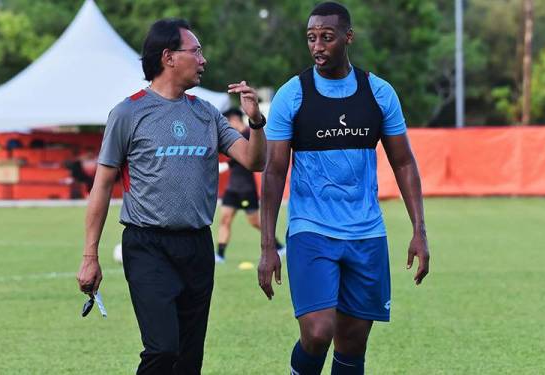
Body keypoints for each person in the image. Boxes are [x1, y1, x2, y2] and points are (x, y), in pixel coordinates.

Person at [76, 18, 267, 375]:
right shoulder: (128, 112)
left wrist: (255, 121)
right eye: (196, 51)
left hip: (196, 246)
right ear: (169, 57)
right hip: (147, 245)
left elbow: (254, 160)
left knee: (189, 360)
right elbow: (101, 186)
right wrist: (90, 256)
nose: (203, 59)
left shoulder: (206, 114)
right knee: (163, 349)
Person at [258, 2, 430, 374]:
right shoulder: (293, 94)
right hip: (311, 230)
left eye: (327, 37)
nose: (318, 46)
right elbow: (273, 172)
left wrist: (419, 231)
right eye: (311, 38)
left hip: (366, 233)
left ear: (348, 38)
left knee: (352, 342)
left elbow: (403, 161)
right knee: (319, 332)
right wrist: (268, 245)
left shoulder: (379, 93)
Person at [216, 107, 285, 263]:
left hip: (247, 189)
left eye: (227, 121)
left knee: (254, 222)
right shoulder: (231, 137)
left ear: (234, 119)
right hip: (232, 188)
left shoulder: (249, 134)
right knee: (225, 219)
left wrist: (227, 166)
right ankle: (220, 255)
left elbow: (250, 156)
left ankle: (279, 246)